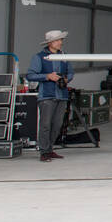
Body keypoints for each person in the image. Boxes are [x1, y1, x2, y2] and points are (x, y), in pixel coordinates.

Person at [27, 29, 74, 162]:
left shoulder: (64, 56)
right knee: (45, 125)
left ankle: (50, 149)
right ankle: (44, 151)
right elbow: (30, 75)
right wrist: (47, 76)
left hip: (62, 94)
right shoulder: (39, 57)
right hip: (47, 95)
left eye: (61, 40)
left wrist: (66, 79)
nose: (60, 42)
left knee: (57, 124)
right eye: (58, 40)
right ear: (50, 43)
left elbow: (70, 72)